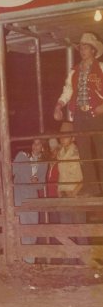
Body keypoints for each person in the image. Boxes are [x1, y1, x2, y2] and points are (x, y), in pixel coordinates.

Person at [53, 32, 103, 196]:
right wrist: (59, 105)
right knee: (84, 152)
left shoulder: (101, 68)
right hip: (80, 117)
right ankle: (92, 188)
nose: (82, 50)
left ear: (93, 50)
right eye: (81, 47)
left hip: (98, 116)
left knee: (101, 151)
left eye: (86, 47)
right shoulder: (74, 71)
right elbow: (68, 90)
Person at [56, 122, 87, 245]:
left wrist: (74, 193)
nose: (63, 138)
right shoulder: (60, 153)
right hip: (63, 196)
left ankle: (86, 263)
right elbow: (60, 173)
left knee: (81, 232)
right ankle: (68, 261)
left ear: (73, 138)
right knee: (66, 232)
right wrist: (59, 190)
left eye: (66, 136)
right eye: (62, 136)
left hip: (76, 196)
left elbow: (85, 177)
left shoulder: (79, 153)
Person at [12, 138, 48, 245]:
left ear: (43, 147)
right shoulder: (22, 156)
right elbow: (11, 172)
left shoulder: (44, 163)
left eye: (38, 144)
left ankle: (30, 257)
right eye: (34, 143)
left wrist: (36, 181)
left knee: (33, 224)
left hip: (32, 195)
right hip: (19, 194)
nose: (35, 146)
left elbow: (42, 185)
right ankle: (22, 255)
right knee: (21, 222)